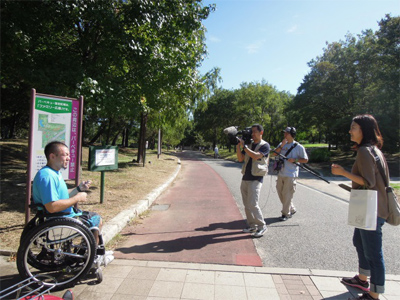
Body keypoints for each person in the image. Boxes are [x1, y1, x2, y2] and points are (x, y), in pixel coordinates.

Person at [331, 115, 389, 300]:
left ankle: (374, 294)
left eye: (353, 127)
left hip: (372, 210)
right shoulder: (373, 150)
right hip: (372, 208)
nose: (350, 131)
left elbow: (368, 182)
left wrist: (343, 172)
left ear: (363, 130)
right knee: (359, 242)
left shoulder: (365, 151)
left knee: (373, 253)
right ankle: (362, 279)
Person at [32, 141, 114, 265]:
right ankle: (92, 257)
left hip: (63, 215)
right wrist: (77, 198)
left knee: (93, 217)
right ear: (52, 156)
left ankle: (88, 252)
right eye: (65, 155)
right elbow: (52, 206)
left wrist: (79, 189)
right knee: (96, 219)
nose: (69, 158)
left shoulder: (53, 173)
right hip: (59, 219)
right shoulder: (47, 176)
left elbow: (61, 196)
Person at [236, 124, 270, 238]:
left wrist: (245, 147)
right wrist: (238, 146)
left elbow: (256, 156)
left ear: (261, 133)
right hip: (245, 177)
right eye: (252, 132)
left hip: (256, 178)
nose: (252, 134)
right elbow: (240, 159)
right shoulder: (249, 145)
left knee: (253, 204)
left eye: (255, 131)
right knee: (246, 204)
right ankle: (252, 225)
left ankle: (262, 226)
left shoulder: (265, 145)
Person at [273, 127, 308, 221]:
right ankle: (291, 208)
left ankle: (285, 214)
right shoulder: (282, 144)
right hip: (281, 172)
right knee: (280, 191)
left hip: (291, 174)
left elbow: (305, 159)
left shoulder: (299, 147)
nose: (284, 135)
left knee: (287, 194)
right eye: (284, 133)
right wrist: (281, 146)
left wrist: (295, 160)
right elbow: (274, 154)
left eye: (286, 133)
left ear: (292, 134)